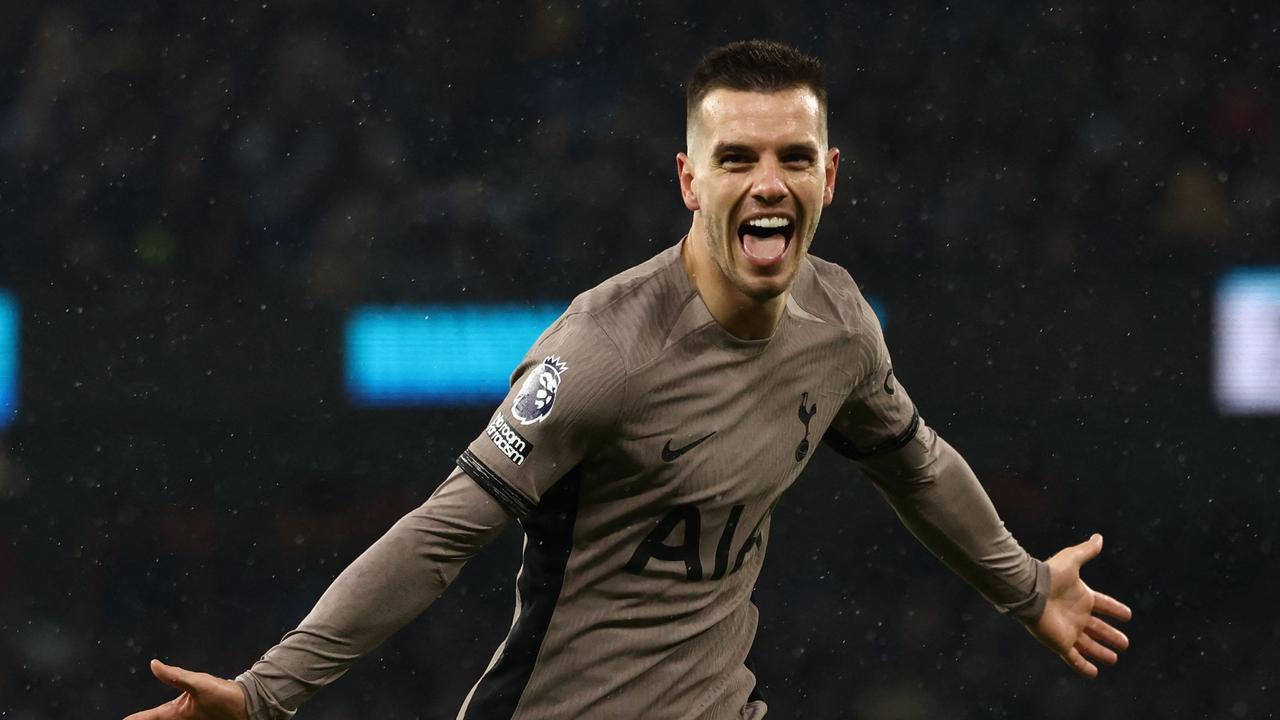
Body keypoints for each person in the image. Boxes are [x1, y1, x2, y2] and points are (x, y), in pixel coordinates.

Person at [125, 40, 1131, 720]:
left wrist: (1017, 585)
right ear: (690, 182)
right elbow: (439, 537)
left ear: (829, 175)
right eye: (734, 158)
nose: (766, 182)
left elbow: (913, 464)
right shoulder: (600, 352)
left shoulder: (839, 326)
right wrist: (266, 693)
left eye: (790, 157)